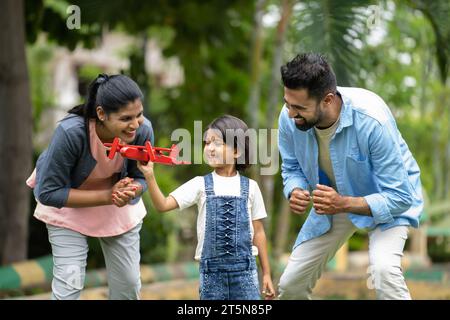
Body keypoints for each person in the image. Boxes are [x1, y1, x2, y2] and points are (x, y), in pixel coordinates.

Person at [276, 53, 423, 300]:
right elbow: (291, 166)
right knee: (291, 285)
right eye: (288, 104)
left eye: (299, 108)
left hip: (387, 199)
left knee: (384, 272)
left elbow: (400, 196)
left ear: (328, 99)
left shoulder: (372, 120)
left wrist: (343, 203)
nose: (291, 114)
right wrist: (295, 189)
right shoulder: (289, 116)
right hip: (334, 202)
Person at [26, 74, 154, 300]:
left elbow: (140, 178)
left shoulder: (141, 132)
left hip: (116, 206)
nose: (135, 124)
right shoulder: (72, 133)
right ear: (102, 114)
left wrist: (132, 190)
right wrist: (108, 195)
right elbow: (48, 192)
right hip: (68, 204)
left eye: (139, 115)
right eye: (126, 119)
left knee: (129, 285)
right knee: (70, 283)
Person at [137, 115, 275, 300]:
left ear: (236, 151)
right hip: (211, 277)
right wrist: (149, 175)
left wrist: (266, 274)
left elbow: (258, 232)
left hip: (246, 275)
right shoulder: (200, 185)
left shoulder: (251, 187)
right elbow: (162, 205)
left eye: (217, 142)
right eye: (207, 142)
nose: (210, 148)